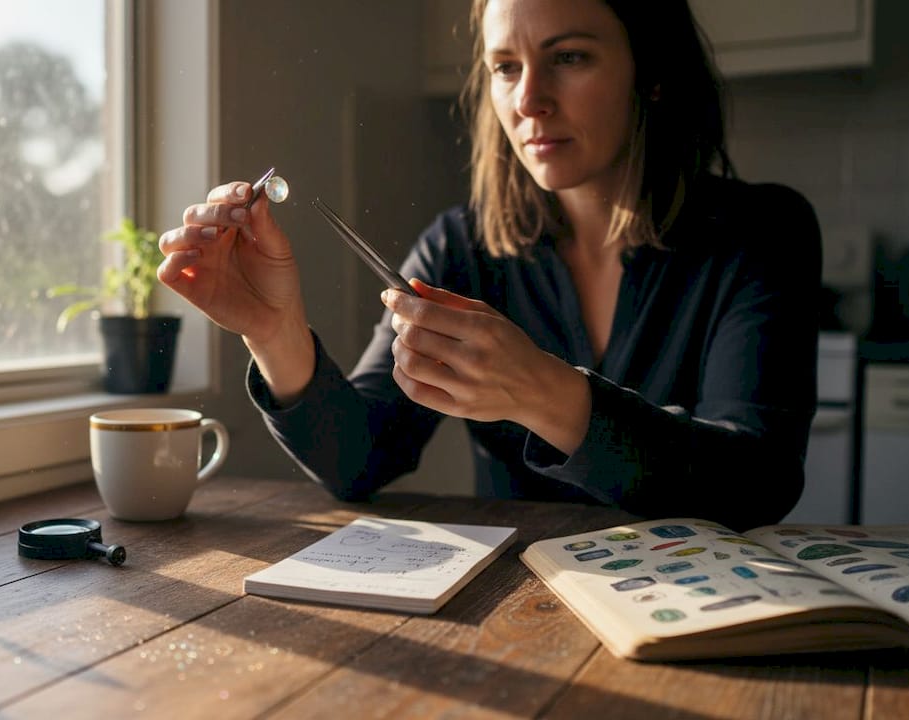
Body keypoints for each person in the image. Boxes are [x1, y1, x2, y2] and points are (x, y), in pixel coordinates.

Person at [156, 0, 820, 531]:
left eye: (570, 57)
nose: (529, 100)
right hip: (519, 613)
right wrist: (274, 332)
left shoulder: (761, 234)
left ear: (651, 71)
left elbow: (758, 479)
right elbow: (358, 459)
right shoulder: (460, 249)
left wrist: (547, 394)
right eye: (505, 66)